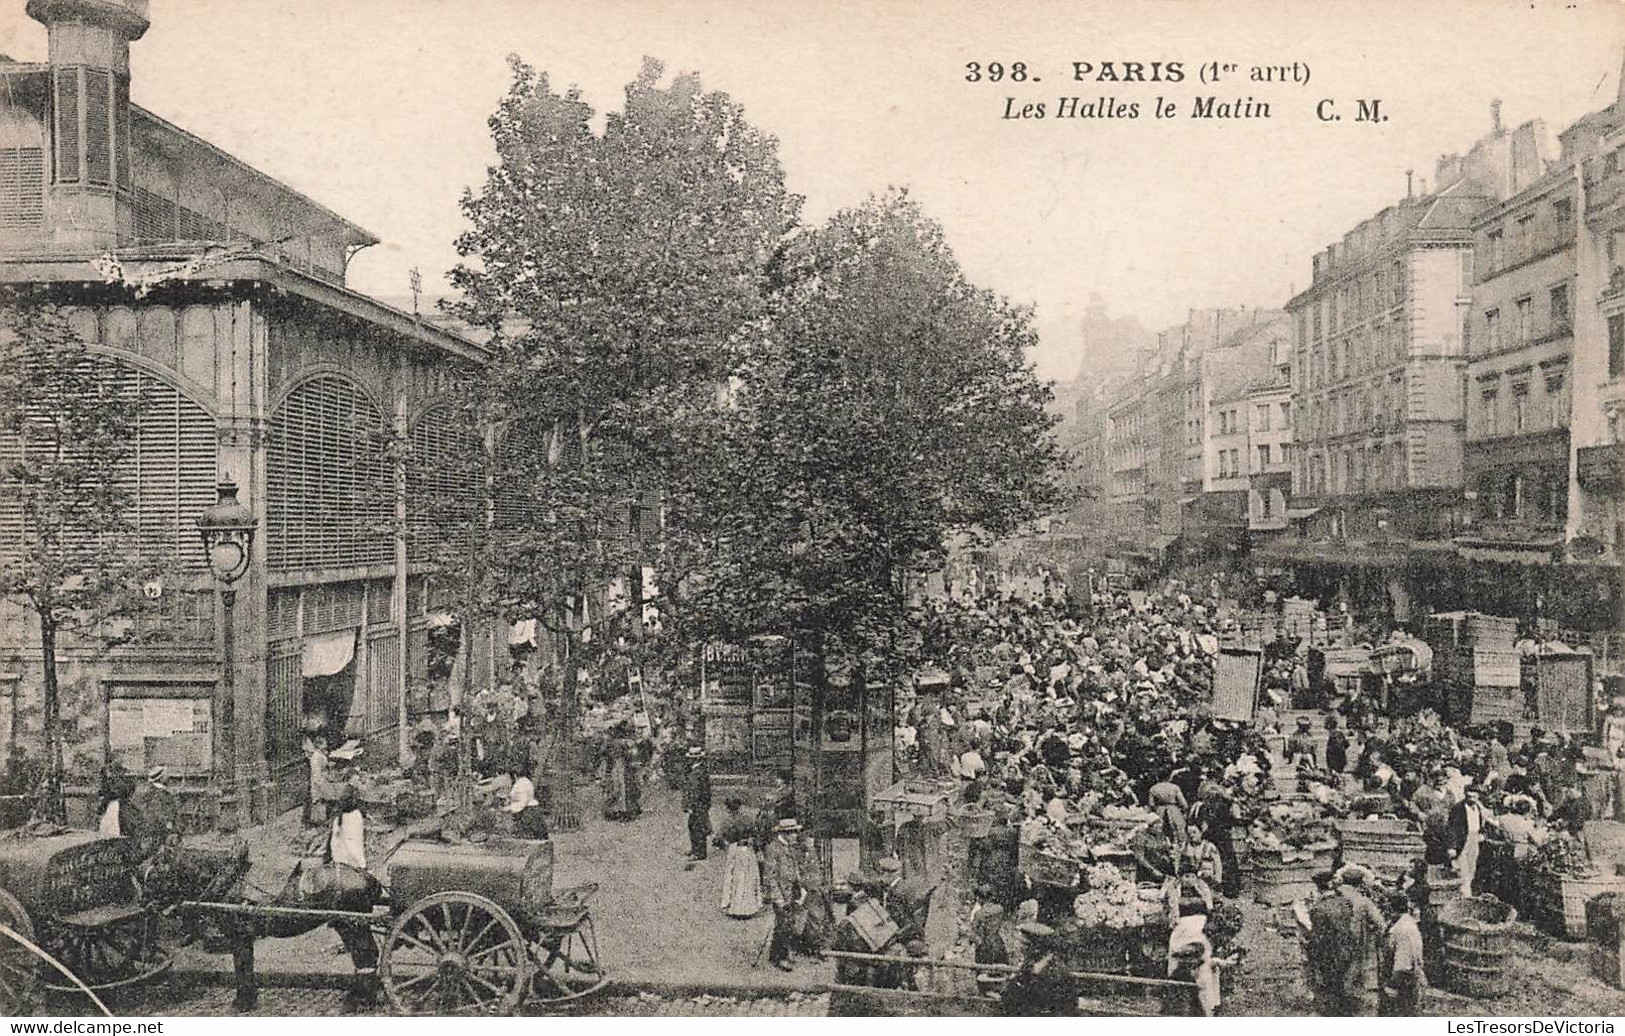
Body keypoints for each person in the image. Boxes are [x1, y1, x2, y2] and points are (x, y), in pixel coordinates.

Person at [1000, 922, 1075, 1016]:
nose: (1020, 948)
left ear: (1034, 947)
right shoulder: (1036, 964)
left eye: (1024, 945)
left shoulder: (1048, 969)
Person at [762, 817, 803, 972]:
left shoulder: (790, 847)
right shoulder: (773, 849)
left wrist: (799, 886)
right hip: (781, 894)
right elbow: (770, 877)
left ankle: (781, 953)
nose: (795, 836)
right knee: (782, 925)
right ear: (785, 834)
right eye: (792, 833)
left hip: (791, 891)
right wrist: (778, 898)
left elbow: (795, 867)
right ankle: (779, 957)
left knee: (788, 923)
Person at [1381, 891, 1426, 1016]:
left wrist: (1392, 986)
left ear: (1390, 907)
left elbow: (1403, 964)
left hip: (1405, 983)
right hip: (1405, 979)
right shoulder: (1402, 922)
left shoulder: (1403, 929)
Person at [716, 798, 763, 918]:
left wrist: (726, 846)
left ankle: (735, 908)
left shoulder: (727, 822)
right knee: (749, 877)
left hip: (735, 850)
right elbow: (757, 835)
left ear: (728, 809)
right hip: (748, 851)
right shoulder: (748, 819)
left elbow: (719, 839)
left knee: (735, 878)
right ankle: (750, 907)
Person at [1448, 786, 1488, 895]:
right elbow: (1452, 828)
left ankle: (1468, 891)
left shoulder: (1477, 808)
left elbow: (1480, 823)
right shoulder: (1458, 808)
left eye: (1474, 796)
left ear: (1478, 796)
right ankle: (1465, 894)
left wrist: (1481, 833)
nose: (1471, 799)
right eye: (1469, 796)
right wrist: (1452, 846)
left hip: (1474, 838)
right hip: (1463, 839)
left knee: (1472, 867)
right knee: (1463, 868)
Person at [682, 746, 712, 863]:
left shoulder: (697, 773)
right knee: (693, 826)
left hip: (697, 805)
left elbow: (695, 791)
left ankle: (699, 852)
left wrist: (690, 806)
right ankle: (695, 849)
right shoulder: (699, 770)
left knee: (697, 828)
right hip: (700, 804)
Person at [505, 776, 550, 840]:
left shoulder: (521, 784)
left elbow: (522, 802)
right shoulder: (523, 781)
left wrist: (507, 809)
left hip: (527, 814)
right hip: (530, 812)